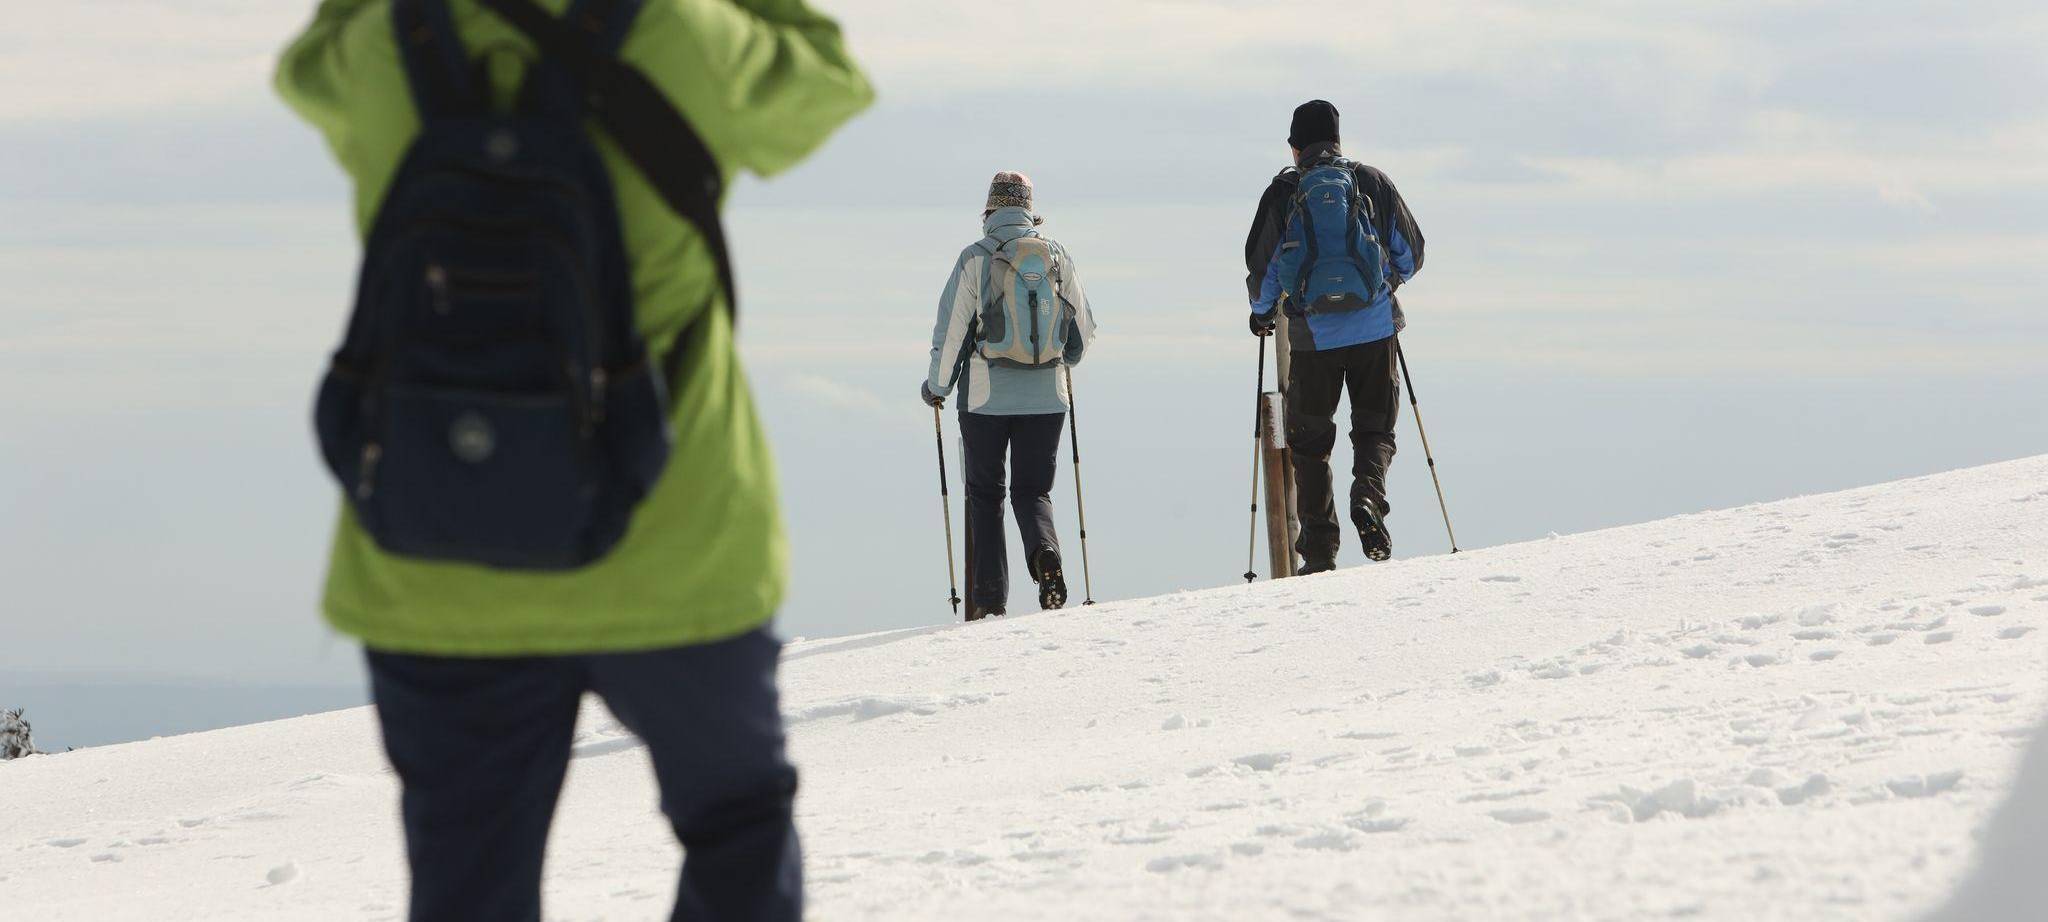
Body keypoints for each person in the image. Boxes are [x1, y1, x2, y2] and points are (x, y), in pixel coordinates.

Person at [275, 1, 871, 919]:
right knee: (737, 832)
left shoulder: (381, 44)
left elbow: (303, 70)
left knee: (466, 882)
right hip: (673, 543)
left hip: (436, 554)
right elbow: (826, 81)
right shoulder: (691, 34)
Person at [1246, 100, 1425, 574]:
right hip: (1374, 329)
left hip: (1310, 337)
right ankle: (1368, 495)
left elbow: (1263, 270)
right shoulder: (1372, 182)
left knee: (1310, 443)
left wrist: (1262, 315)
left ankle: (1321, 551)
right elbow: (1412, 253)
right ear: (1339, 139)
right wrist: (1385, 285)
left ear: (1294, 146)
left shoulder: (1284, 192)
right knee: (1374, 429)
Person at [921, 172, 1098, 621]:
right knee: (1033, 491)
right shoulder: (1057, 257)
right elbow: (1083, 331)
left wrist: (936, 388)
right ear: (1028, 210)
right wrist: (1065, 361)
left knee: (985, 495)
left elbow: (952, 332)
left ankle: (990, 602)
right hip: (1047, 398)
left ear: (990, 210)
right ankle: (1045, 554)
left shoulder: (975, 260)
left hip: (985, 399)